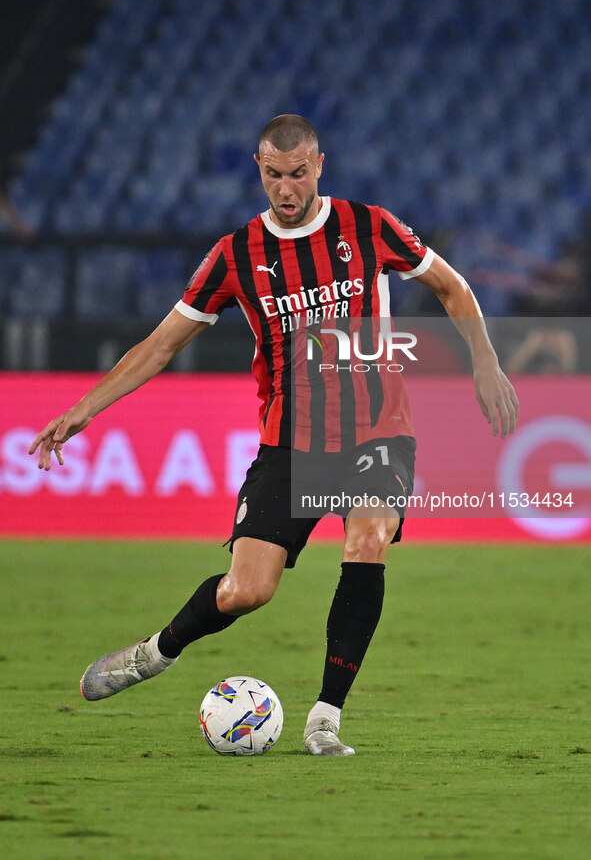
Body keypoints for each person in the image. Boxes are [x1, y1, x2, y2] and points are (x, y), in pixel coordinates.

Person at [29, 115, 519, 756]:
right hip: (291, 442)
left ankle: (325, 717)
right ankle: (156, 652)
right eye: (272, 175)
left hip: (379, 428)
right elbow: (160, 345)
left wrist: (485, 362)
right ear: (258, 169)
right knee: (246, 590)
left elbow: (451, 287)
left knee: (368, 538)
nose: (285, 190)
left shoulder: (368, 226)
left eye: (297, 174)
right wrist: (86, 408)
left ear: (319, 165)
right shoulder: (235, 255)